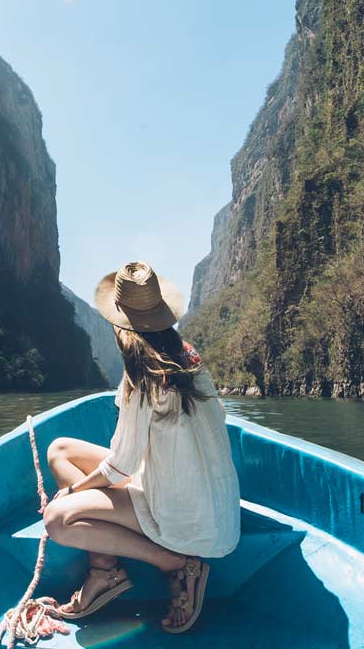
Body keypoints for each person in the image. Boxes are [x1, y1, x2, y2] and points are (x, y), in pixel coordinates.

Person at [41, 261, 241, 635]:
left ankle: (173, 563)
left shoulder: (143, 378)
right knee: (61, 450)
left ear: (120, 323)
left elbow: (120, 467)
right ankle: (105, 568)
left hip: (183, 521)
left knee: (58, 519)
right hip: (212, 509)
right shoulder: (190, 359)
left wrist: (70, 493)